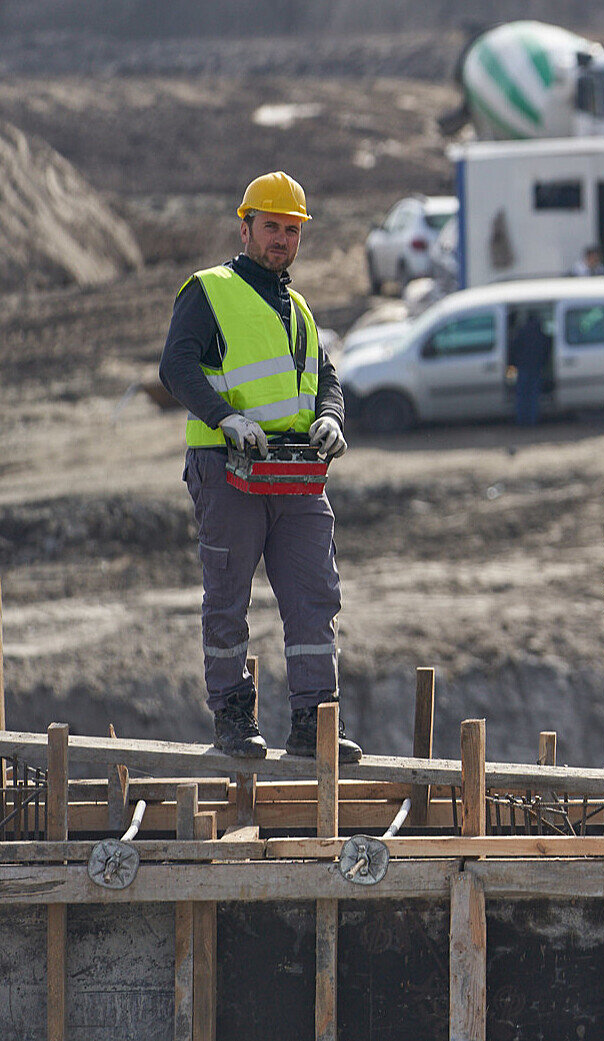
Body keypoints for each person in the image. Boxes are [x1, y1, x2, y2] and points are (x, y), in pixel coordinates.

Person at [157, 172, 360, 763]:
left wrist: (331, 416)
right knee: (227, 595)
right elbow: (177, 366)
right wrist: (225, 418)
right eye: (271, 227)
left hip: (294, 475)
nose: (282, 239)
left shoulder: (297, 306)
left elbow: (324, 375)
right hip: (228, 468)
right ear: (245, 227)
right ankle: (233, 715)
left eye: (292, 230)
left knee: (314, 594)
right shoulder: (209, 290)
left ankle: (313, 722)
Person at [509, 307, 552, 426]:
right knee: (533, 396)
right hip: (536, 367)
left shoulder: (521, 331)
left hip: (523, 367)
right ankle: (532, 421)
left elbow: (514, 348)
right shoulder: (541, 334)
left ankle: (521, 421)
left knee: (522, 396)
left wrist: (514, 363)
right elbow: (546, 350)